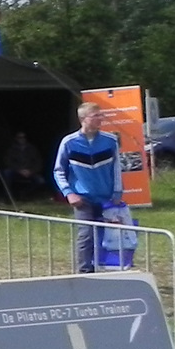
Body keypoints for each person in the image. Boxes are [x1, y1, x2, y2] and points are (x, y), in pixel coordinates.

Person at [52, 103, 124, 273]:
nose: (101, 119)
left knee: (106, 235)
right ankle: (84, 272)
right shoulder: (69, 142)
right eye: (96, 116)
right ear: (83, 119)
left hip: (106, 197)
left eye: (101, 115)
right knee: (86, 236)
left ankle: (104, 267)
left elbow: (117, 169)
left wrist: (117, 192)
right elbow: (58, 170)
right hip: (82, 198)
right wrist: (68, 193)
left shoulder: (110, 141)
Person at [3, 131, 42, 200]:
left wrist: (31, 171)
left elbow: (38, 162)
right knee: (7, 173)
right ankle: (8, 196)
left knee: (40, 181)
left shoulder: (32, 149)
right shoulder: (12, 149)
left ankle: (25, 194)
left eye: (23, 137)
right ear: (16, 139)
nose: (22, 139)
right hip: (16, 171)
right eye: (19, 137)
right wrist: (19, 170)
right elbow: (8, 162)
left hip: (29, 172)